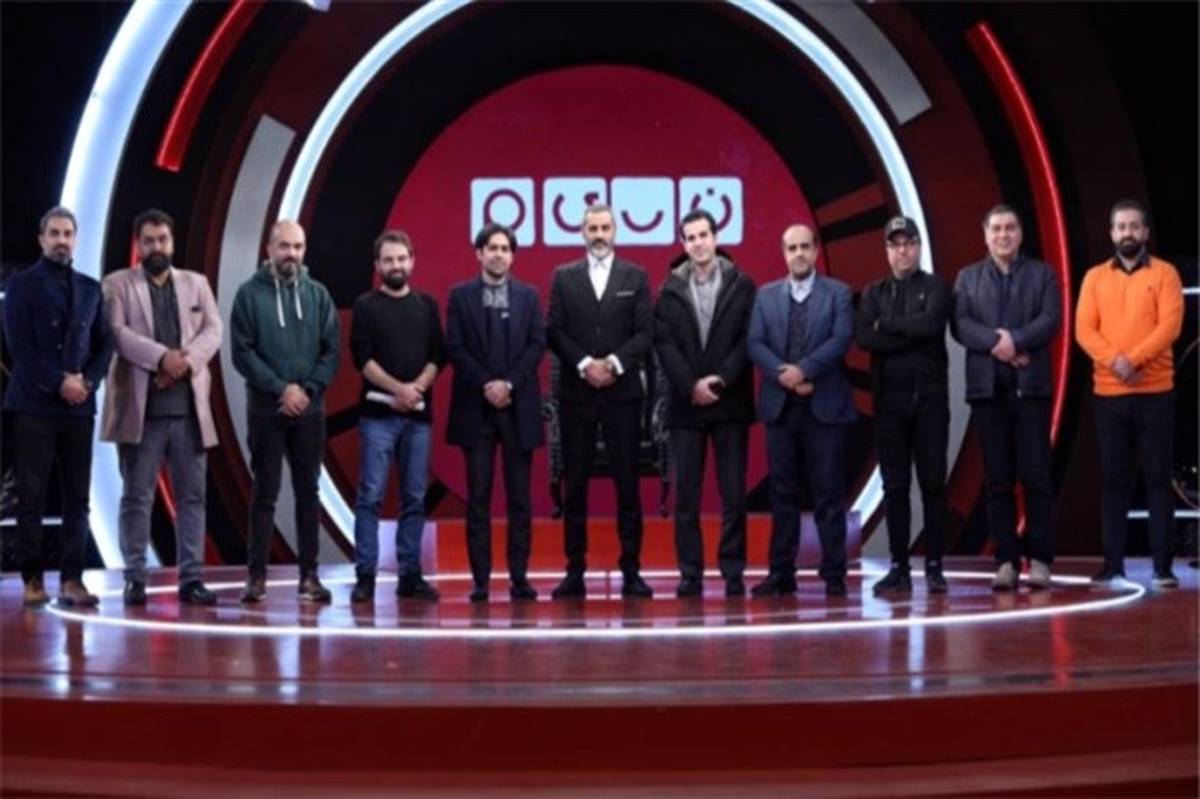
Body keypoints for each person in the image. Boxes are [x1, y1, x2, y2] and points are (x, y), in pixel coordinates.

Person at [100, 208, 222, 606]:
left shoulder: (196, 283)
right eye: (149, 240)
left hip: (189, 412)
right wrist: (161, 359)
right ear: (138, 244)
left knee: (193, 499)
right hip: (142, 412)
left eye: (162, 240)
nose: (156, 247)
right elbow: (118, 334)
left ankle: (192, 578)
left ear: (172, 242)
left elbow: (214, 330)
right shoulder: (117, 284)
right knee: (137, 497)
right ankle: (134, 578)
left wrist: (182, 363)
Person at [4, 206, 113, 607]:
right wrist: (59, 382)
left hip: (79, 408)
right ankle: (32, 580)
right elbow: (20, 349)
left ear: (75, 240)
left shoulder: (91, 288)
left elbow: (105, 344)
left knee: (78, 498)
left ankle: (72, 580)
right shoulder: (21, 285)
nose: (62, 240)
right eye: (54, 233)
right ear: (41, 239)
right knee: (31, 496)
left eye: (68, 234)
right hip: (34, 406)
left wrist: (88, 382)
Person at [546, 203, 654, 599]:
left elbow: (645, 333)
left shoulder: (636, 276)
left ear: (615, 231)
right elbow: (554, 330)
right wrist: (584, 364)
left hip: (622, 395)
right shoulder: (563, 277)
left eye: (605, 228)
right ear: (582, 232)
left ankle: (632, 572)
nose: (599, 235)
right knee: (575, 486)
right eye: (593, 228)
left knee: (628, 484)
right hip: (576, 395)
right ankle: (574, 571)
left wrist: (612, 364)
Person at [1075, 199, 1184, 588]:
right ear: (1111, 234)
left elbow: (1170, 327)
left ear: (1145, 232)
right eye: (1121, 227)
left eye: (1134, 226)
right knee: (1113, 481)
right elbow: (1084, 330)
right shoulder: (1094, 278)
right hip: (1109, 395)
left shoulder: (1166, 274)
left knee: (1157, 480)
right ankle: (1112, 565)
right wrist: (1115, 362)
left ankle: (1163, 567)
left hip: (1156, 394)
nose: (1127, 233)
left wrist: (1133, 360)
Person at [231, 220, 340, 603]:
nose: (291, 254)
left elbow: (331, 351)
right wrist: (281, 389)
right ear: (269, 249)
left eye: (298, 246)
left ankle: (309, 577)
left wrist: (306, 391)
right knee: (265, 492)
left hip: (310, 411)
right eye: (284, 246)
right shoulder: (248, 295)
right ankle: (256, 577)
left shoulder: (318, 295)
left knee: (308, 492)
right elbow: (241, 353)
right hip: (266, 411)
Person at [952, 204, 1060, 591]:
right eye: (996, 228)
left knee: (1036, 477)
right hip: (987, 392)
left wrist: (1016, 339)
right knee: (997, 480)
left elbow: (1050, 319)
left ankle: (1041, 559)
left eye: (1010, 228)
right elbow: (961, 325)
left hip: (1031, 391)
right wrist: (1000, 344)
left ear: (1020, 234)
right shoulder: (967, 278)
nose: (1003, 235)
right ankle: (1006, 562)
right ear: (985, 235)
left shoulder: (1043, 275)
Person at [748, 223, 857, 598]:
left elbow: (841, 339)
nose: (798, 254)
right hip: (781, 408)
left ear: (815, 250)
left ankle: (834, 573)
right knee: (782, 494)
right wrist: (786, 375)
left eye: (804, 247)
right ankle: (781, 573)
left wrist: (805, 371)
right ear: (784, 253)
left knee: (828, 493)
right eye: (792, 248)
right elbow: (755, 344)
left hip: (824, 407)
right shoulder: (765, 296)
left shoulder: (838, 293)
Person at [654, 209, 756, 597]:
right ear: (683, 244)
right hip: (687, 406)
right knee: (687, 498)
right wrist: (690, 385)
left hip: (730, 403)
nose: (698, 243)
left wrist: (721, 379)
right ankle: (690, 573)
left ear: (715, 238)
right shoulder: (668, 290)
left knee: (733, 496)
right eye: (691, 237)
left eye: (703, 235)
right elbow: (664, 343)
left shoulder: (742, 285)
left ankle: (733, 572)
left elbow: (748, 339)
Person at [446, 224, 545, 602]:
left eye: (505, 249)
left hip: (518, 408)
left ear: (513, 256)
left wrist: (509, 385)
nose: (499, 254)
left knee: (520, 499)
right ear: (479, 253)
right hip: (476, 408)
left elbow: (537, 344)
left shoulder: (529, 296)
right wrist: (488, 384)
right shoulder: (460, 296)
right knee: (478, 500)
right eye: (492, 248)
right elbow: (455, 347)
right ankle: (481, 582)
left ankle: (519, 579)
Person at [854, 216, 951, 596]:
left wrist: (889, 325)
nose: (902, 251)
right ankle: (899, 567)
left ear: (918, 246)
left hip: (930, 401)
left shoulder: (936, 286)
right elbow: (865, 338)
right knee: (895, 487)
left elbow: (932, 326)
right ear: (887, 250)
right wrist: (908, 330)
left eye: (908, 243)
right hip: (889, 403)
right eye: (895, 245)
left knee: (933, 484)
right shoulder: (873, 292)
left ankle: (935, 566)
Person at [348, 230, 445, 603]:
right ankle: (365, 577)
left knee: (415, 498)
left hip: (418, 419)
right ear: (377, 266)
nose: (396, 265)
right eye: (388, 260)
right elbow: (362, 359)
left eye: (401, 259)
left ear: (412, 261)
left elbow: (438, 355)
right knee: (370, 496)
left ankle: (410, 576)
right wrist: (397, 391)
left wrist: (415, 388)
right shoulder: (365, 306)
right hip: (377, 417)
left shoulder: (427, 305)